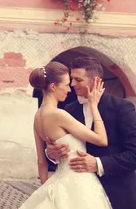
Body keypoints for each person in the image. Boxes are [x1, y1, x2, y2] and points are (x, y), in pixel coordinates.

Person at [46, 56, 136, 209]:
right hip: (79, 195)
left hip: (119, 195)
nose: (73, 84)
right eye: (72, 79)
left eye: (78, 80)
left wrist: (98, 164)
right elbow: (63, 150)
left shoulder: (122, 108)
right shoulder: (69, 110)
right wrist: (52, 154)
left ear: (95, 80)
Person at [19, 62, 112, 209]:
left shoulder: (37, 116)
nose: (69, 89)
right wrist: (94, 106)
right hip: (79, 183)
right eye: (67, 84)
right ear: (53, 87)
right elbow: (101, 140)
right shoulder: (59, 115)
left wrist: (47, 190)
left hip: (58, 181)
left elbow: (41, 162)